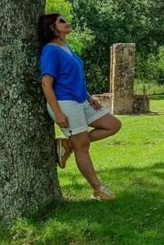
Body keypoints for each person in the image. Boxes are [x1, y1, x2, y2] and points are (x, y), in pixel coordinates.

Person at [38, 13, 122, 201]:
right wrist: (58, 113)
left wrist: (89, 97)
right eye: (61, 21)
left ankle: (68, 144)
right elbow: (46, 84)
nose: (67, 23)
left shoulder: (67, 48)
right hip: (64, 103)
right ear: (52, 28)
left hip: (81, 100)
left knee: (113, 125)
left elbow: (72, 78)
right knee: (82, 147)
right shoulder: (50, 51)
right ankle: (98, 189)